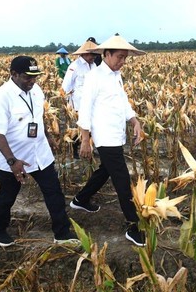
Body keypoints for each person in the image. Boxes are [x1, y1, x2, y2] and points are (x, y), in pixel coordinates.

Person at [0, 56, 79, 247]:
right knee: (8, 195)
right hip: (11, 157)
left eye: (35, 77)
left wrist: (48, 136)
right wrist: (12, 161)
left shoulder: (35, 90)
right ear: (14, 74)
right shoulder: (1, 97)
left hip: (39, 152)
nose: (32, 81)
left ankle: (61, 233)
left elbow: (38, 116)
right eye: (28, 77)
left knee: (53, 191)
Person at [69, 33, 146, 246]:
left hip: (116, 134)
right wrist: (85, 139)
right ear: (107, 54)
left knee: (106, 170)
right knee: (122, 179)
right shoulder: (95, 77)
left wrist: (135, 122)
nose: (123, 61)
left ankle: (80, 200)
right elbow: (85, 109)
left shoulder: (115, 75)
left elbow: (123, 102)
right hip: (104, 136)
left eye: (125, 58)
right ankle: (134, 225)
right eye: (120, 57)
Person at [61, 39, 98, 158]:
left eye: (95, 54)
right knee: (76, 128)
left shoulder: (94, 65)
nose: (94, 57)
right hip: (77, 104)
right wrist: (69, 104)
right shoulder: (74, 66)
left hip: (91, 103)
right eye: (92, 54)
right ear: (84, 53)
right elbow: (65, 87)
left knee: (90, 126)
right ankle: (75, 150)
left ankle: (88, 147)